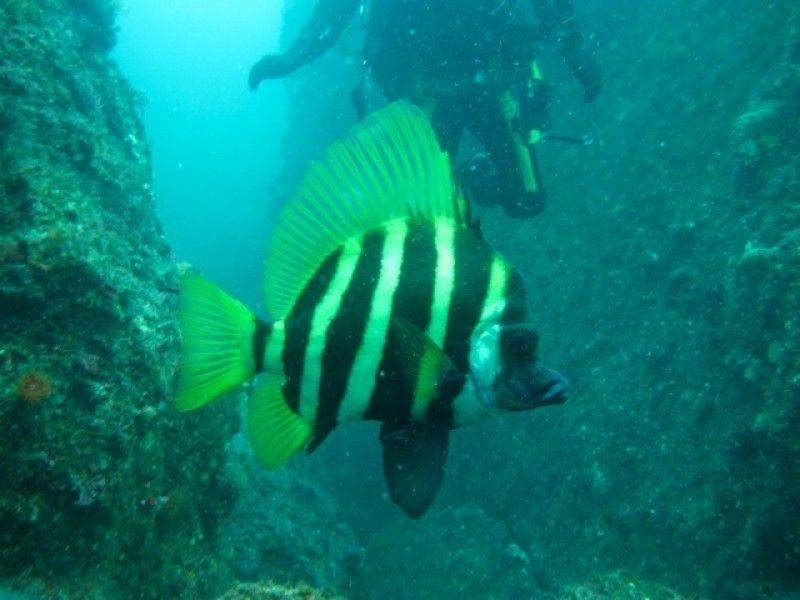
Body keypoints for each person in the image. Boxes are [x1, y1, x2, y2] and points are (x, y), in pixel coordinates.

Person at [249, 0, 602, 218]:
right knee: (419, 220)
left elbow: (550, 5)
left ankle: (465, 179)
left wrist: (573, 47)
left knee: (527, 202)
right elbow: (335, 9)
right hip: (424, 95)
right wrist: (291, 58)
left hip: (493, 81)